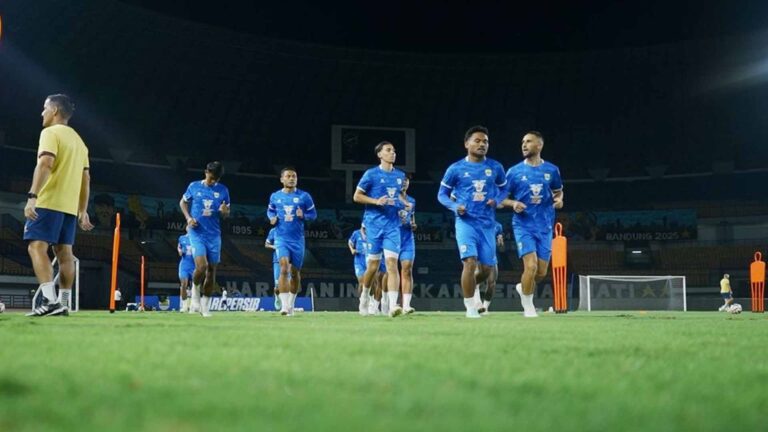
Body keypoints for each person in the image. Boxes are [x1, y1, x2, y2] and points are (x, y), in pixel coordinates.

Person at [24, 94, 94, 317]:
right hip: (69, 207)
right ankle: (63, 303)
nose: (41, 113)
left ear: (54, 110)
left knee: (36, 247)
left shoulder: (50, 133)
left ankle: (50, 301)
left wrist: (33, 196)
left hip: (49, 201)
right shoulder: (79, 142)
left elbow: (45, 163)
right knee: (65, 253)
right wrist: (82, 210)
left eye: (44, 108)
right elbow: (86, 179)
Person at [437, 125, 507, 318]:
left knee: (486, 270)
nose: (482, 144)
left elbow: (504, 190)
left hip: (488, 225)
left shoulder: (495, 167)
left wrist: (498, 200)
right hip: (465, 223)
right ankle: (470, 307)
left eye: (485, 141)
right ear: (467, 143)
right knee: (469, 262)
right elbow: (441, 195)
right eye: (477, 140)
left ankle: (472, 287)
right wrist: (454, 206)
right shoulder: (456, 169)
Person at [499, 131, 563, 318]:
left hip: (545, 226)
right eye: (522, 142)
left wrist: (559, 201)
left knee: (541, 272)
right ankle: (528, 306)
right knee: (531, 266)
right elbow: (501, 198)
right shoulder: (514, 171)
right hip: (523, 225)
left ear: (539, 145)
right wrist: (513, 203)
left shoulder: (552, 170)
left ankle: (523, 288)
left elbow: (558, 192)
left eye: (528, 141)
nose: (524, 145)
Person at [353, 141, 410, 317]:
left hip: (392, 226)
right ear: (380, 154)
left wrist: (405, 203)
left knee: (392, 264)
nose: (393, 153)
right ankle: (364, 296)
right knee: (373, 267)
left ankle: (393, 305)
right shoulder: (371, 174)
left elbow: (399, 195)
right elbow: (357, 196)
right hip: (373, 225)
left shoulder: (400, 176)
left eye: (393, 150)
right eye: (388, 150)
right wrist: (376, 201)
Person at [179, 161, 231, 318]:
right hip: (197, 232)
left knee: (211, 270)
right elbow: (182, 202)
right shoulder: (194, 186)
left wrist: (224, 211)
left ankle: (205, 307)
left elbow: (226, 213)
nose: (213, 181)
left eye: (217, 179)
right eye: (212, 177)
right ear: (206, 172)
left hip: (214, 235)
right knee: (201, 266)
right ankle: (195, 289)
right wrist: (188, 218)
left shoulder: (223, 190)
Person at [267, 167, 317, 316]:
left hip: (298, 240)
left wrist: (304, 216)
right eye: (288, 176)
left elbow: (313, 215)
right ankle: (284, 306)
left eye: (294, 176)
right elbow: (270, 210)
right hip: (281, 238)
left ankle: (291, 303)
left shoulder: (304, 196)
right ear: (282, 179)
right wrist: (272, 218)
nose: (291, 178)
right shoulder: (275, 196)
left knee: (295, 273)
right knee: (283, 268)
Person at [474, 221, 503, 315]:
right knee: (476, 278)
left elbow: (501, 245)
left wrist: (500, 241)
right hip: (477, 255)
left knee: (492, 283)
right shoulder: (475, 222)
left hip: (491, 256)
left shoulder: (498, 226)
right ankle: (477, 303)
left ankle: (485, 308)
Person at [398, 175, 417, 314]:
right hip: (392, 237)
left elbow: (411, 217)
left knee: (407, 269)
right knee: (388, 271)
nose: (404, 183)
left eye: (407, 181)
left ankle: (406, 305)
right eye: (402, 181)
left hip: (407, 238)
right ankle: (387, 302)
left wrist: (413, 225)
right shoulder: (391, 199)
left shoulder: (412, 201)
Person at [348, 224, 373, 311]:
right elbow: (350, 242)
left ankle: (370, 301)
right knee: (361, 281)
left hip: (369, 260)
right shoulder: (356, 233)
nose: (366, 230)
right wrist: (352, 250)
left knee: (370, 282)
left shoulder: (371, 233)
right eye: (364, 228)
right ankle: (361, 300)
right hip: (359, 261)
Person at [265, 227, 283, 311]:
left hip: (289, 260)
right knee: (277, 286)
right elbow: (266, 244)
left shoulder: (290, 229)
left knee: (289, 282)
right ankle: (277, 297)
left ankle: (288, 305)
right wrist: (274, 246)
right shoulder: (273, 231)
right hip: (277, 260)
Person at [177, 231, 195, 312]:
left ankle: (193, 305)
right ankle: (184, 306)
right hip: (184, 265)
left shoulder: (198, 238)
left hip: (194, 265)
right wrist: (179, 251)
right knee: (184, 284)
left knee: (195, 286)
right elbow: (179, 247)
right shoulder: (182, 238)